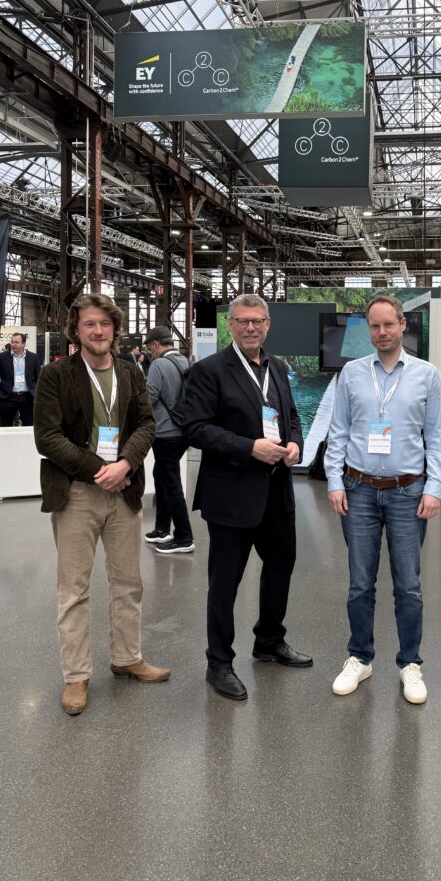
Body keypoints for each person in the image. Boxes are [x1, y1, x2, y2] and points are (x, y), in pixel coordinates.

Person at [33, 293, 169, 716]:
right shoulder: (56, 375)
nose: (98, 331)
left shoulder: (130, 372)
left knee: (129, 583)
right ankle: (76, 676)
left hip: (124, 491)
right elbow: (48, 438)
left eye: (105, 324)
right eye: (89, 324)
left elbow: (146, 424)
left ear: (115, 329)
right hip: (77, 492)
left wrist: (125, 463)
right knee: (73, 590)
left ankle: (127, 657)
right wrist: (100, 469)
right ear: (76, 330)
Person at [182, 293, 312, 701]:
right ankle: (219, 662)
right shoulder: (209, 371)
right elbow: (195, 428)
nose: (250, 327)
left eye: (257, 321)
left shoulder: (278, 367)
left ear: (268, 325)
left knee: (280, 567)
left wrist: (295, 443)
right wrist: (248, 447)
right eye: (242, 321)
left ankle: (269, 640)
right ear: (231, 326)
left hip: (276, 491)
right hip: (231, 494)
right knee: (225, 583)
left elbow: (291, 417)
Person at [324, 293, 441, 705]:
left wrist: (433, 487)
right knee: (360, 583)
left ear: (402, 325)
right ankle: (360, 657)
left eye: (388, 325)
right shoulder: (352, 373)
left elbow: (436, 437)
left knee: (408, 586)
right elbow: (339, 431)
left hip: (408, 493)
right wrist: (334, 481)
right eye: (375, 326)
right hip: (358, 490)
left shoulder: (426, 375)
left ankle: (409, 663)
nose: (382, 332)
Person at [143, 325, 194, 554]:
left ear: (155, 344)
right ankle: (162, 529)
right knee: (161, 475)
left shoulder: (158, 365)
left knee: (171, 482)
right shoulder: (186, 362)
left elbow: (150, 398)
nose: (149, 351)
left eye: (149, 347)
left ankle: (184, 537)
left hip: (164, 432)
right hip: (184, 432)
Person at [0, 332, 41, 426]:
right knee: (5, 427)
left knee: (29, 426)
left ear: (23, 344)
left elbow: (39, 377)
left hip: (27, 397)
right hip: (8, 397)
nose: (13, 344)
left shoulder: (33, 357)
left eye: (16, 342)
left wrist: (34, 390)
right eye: (12, 342)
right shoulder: (2, 357)